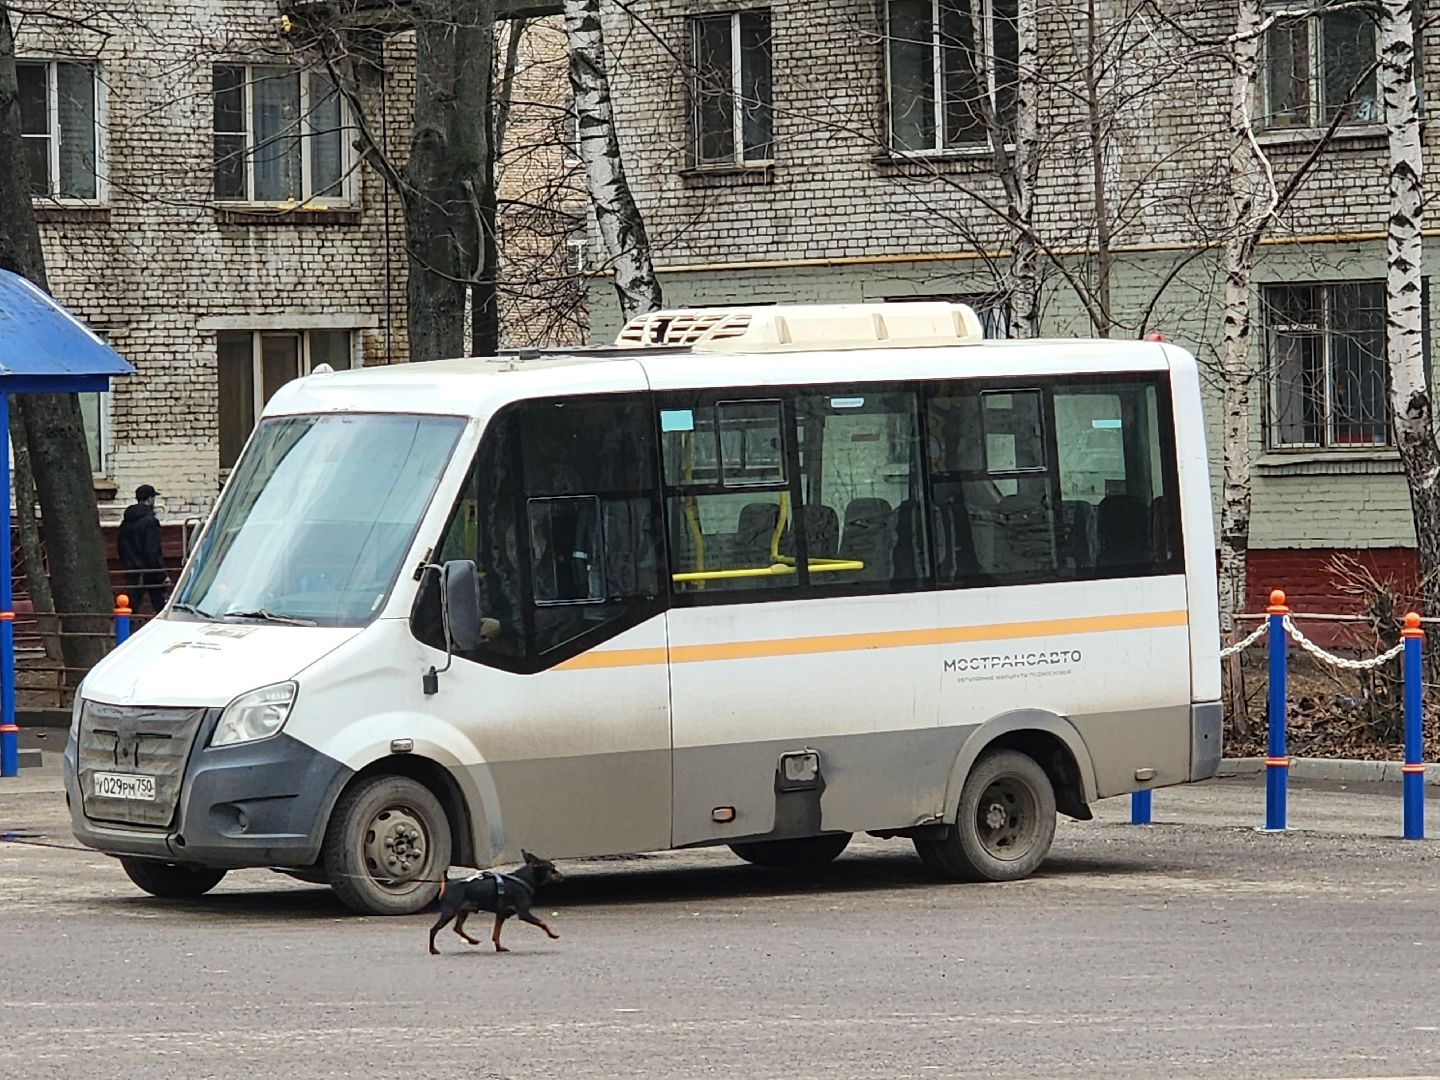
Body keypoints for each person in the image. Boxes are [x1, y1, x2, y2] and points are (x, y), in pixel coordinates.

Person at [117, 484, 169, 614]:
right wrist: (162, 575)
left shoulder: (126, 522)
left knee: (129, 608)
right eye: (153, 498)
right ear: (150, 499)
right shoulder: (150, 521)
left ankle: (125, 632)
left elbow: (121, 547)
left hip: (132, 571)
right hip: (150, 571)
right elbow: (153, 550)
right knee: (162, 607)